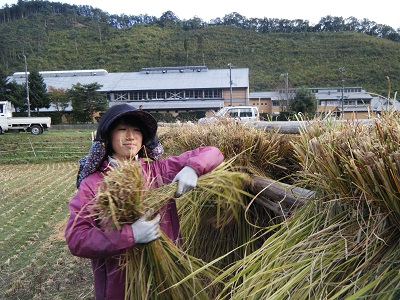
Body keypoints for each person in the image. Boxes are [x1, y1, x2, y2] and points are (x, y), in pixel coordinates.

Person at [64, 104, 224, 300]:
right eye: (122, 129)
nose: (130, 136)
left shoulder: (159, 171)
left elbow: (213, 152)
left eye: (137, 130)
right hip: (121, 288)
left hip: (169, 278)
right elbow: (77, 239)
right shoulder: (94, 184)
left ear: (143, 140)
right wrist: (129, 235)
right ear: (108, 137)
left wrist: (193, 168)